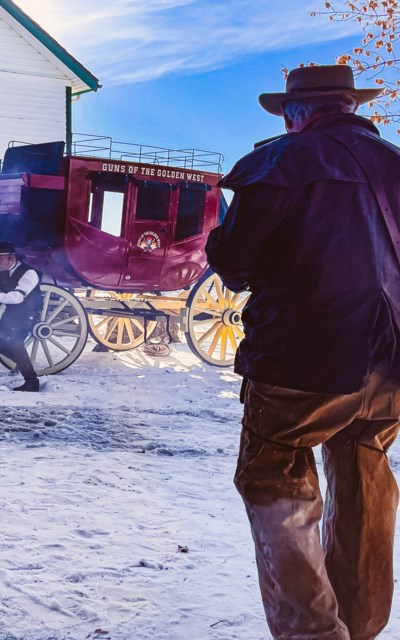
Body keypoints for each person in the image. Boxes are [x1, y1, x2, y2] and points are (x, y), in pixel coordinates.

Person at [206, 64, 400, 640]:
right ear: (349, 106)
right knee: (365, 469)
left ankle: (313, 633)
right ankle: (362, 625)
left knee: (273, 478)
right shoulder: (396, 163)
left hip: (302, 360)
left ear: (296, 113)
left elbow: (235, 264)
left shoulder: (280, 162)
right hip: (391, 364)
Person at [0, 241, 42, 392]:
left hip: (28, 312)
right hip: (11, 312)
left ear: (11, 258)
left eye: (0, 260)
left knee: (15, 343)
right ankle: (24, 362)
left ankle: (32, 382)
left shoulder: (29, 273)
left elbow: (18, 297)